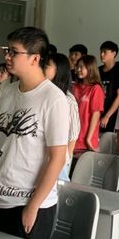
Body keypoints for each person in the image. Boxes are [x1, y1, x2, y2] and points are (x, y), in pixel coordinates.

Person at [0, 27, 69, 239]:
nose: (7, 57)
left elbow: (58, 158)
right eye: (7, 51)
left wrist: (33, 206)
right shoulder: (6, 91)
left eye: (14, 52)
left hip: (30, 204)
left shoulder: (54, 99)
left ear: (35, 58)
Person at [44, 52, 80, 182]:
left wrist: (65, 161)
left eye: (47, 66)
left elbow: (73, 134)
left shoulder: (68, 100)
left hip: (58, 160)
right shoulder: (42, 94)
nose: (42, 68)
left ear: (59, 71)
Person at [73, 55, 105, 152]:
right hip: (73, 139)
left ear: (90, 68)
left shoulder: (96, 88)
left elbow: (96, 114)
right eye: (77, 67)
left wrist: (89, 138)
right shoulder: (74, 87)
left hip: (87, 141)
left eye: (81, 67)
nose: (78, 69)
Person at [98, 41, 119, 132]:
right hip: (97, 113)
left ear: (114, 54)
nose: (102, 55)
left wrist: (107, 116)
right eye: (101, 52)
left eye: (105, 52)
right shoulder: (98, 70)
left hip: (112, 116)